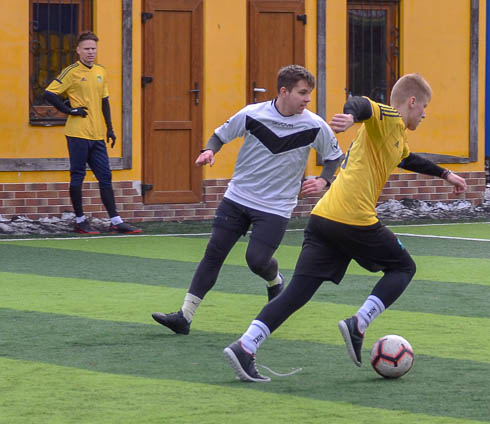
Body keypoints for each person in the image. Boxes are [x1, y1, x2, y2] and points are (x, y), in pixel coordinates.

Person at [222, 73, 468, 382]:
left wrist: (446, 174)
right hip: (353, 218)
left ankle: (245, 346)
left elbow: (408, 159)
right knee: (403, 267)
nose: (425, 114)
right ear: (412, 101)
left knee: (298, 291)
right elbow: (364, 105)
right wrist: (350, 115)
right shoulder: (388, 117)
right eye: (425, 107)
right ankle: (359, 323)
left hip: (323, 218)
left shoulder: (396, 137)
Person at [151, 65, 344, 335]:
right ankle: (184, 316)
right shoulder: (253, 114)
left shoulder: (314, 125)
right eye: (302, 93)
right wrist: (209, 151)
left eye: (309, 93)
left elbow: (335, 155)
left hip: (276, 206)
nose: (308, 99)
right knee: (214, 252)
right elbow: (219, 135)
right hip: (238, 197)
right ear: (284, 91)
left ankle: (275, 280)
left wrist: (324, 179)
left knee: (257, 260)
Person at [44, 31, 141, 234]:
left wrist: (111, 129)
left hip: (97, 135)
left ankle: (115, 220)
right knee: (77, 175)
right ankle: (80, 221)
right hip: (77, 133)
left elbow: (104, 102)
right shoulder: (71, 72)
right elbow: (49, 93)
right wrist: (69, 110)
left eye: (93, 49)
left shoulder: (100, 71)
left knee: (105, 177)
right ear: (78, 50)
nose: (90, 52)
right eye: (86, 49)